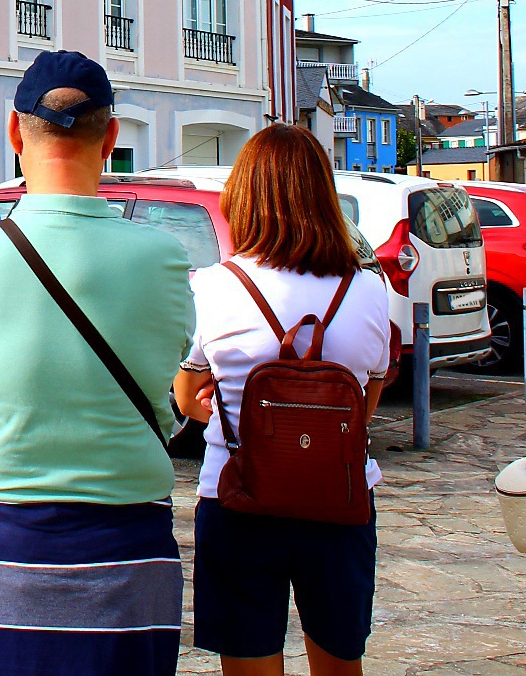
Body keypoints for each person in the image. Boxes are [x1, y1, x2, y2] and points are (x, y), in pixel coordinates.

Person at [0, 50, 192, 676]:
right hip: (128, 545)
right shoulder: (164, 258)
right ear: (112, 138)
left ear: (15, 133)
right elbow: (173, 372)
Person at [170, 124, 391, 676]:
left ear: (244, 197)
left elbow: (187, 394)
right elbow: (367, 398)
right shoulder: (366, 289)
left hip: (238, 497)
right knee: (341, 660)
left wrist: (221, 409)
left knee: (248, 660)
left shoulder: (215, 286)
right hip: (339, 500)